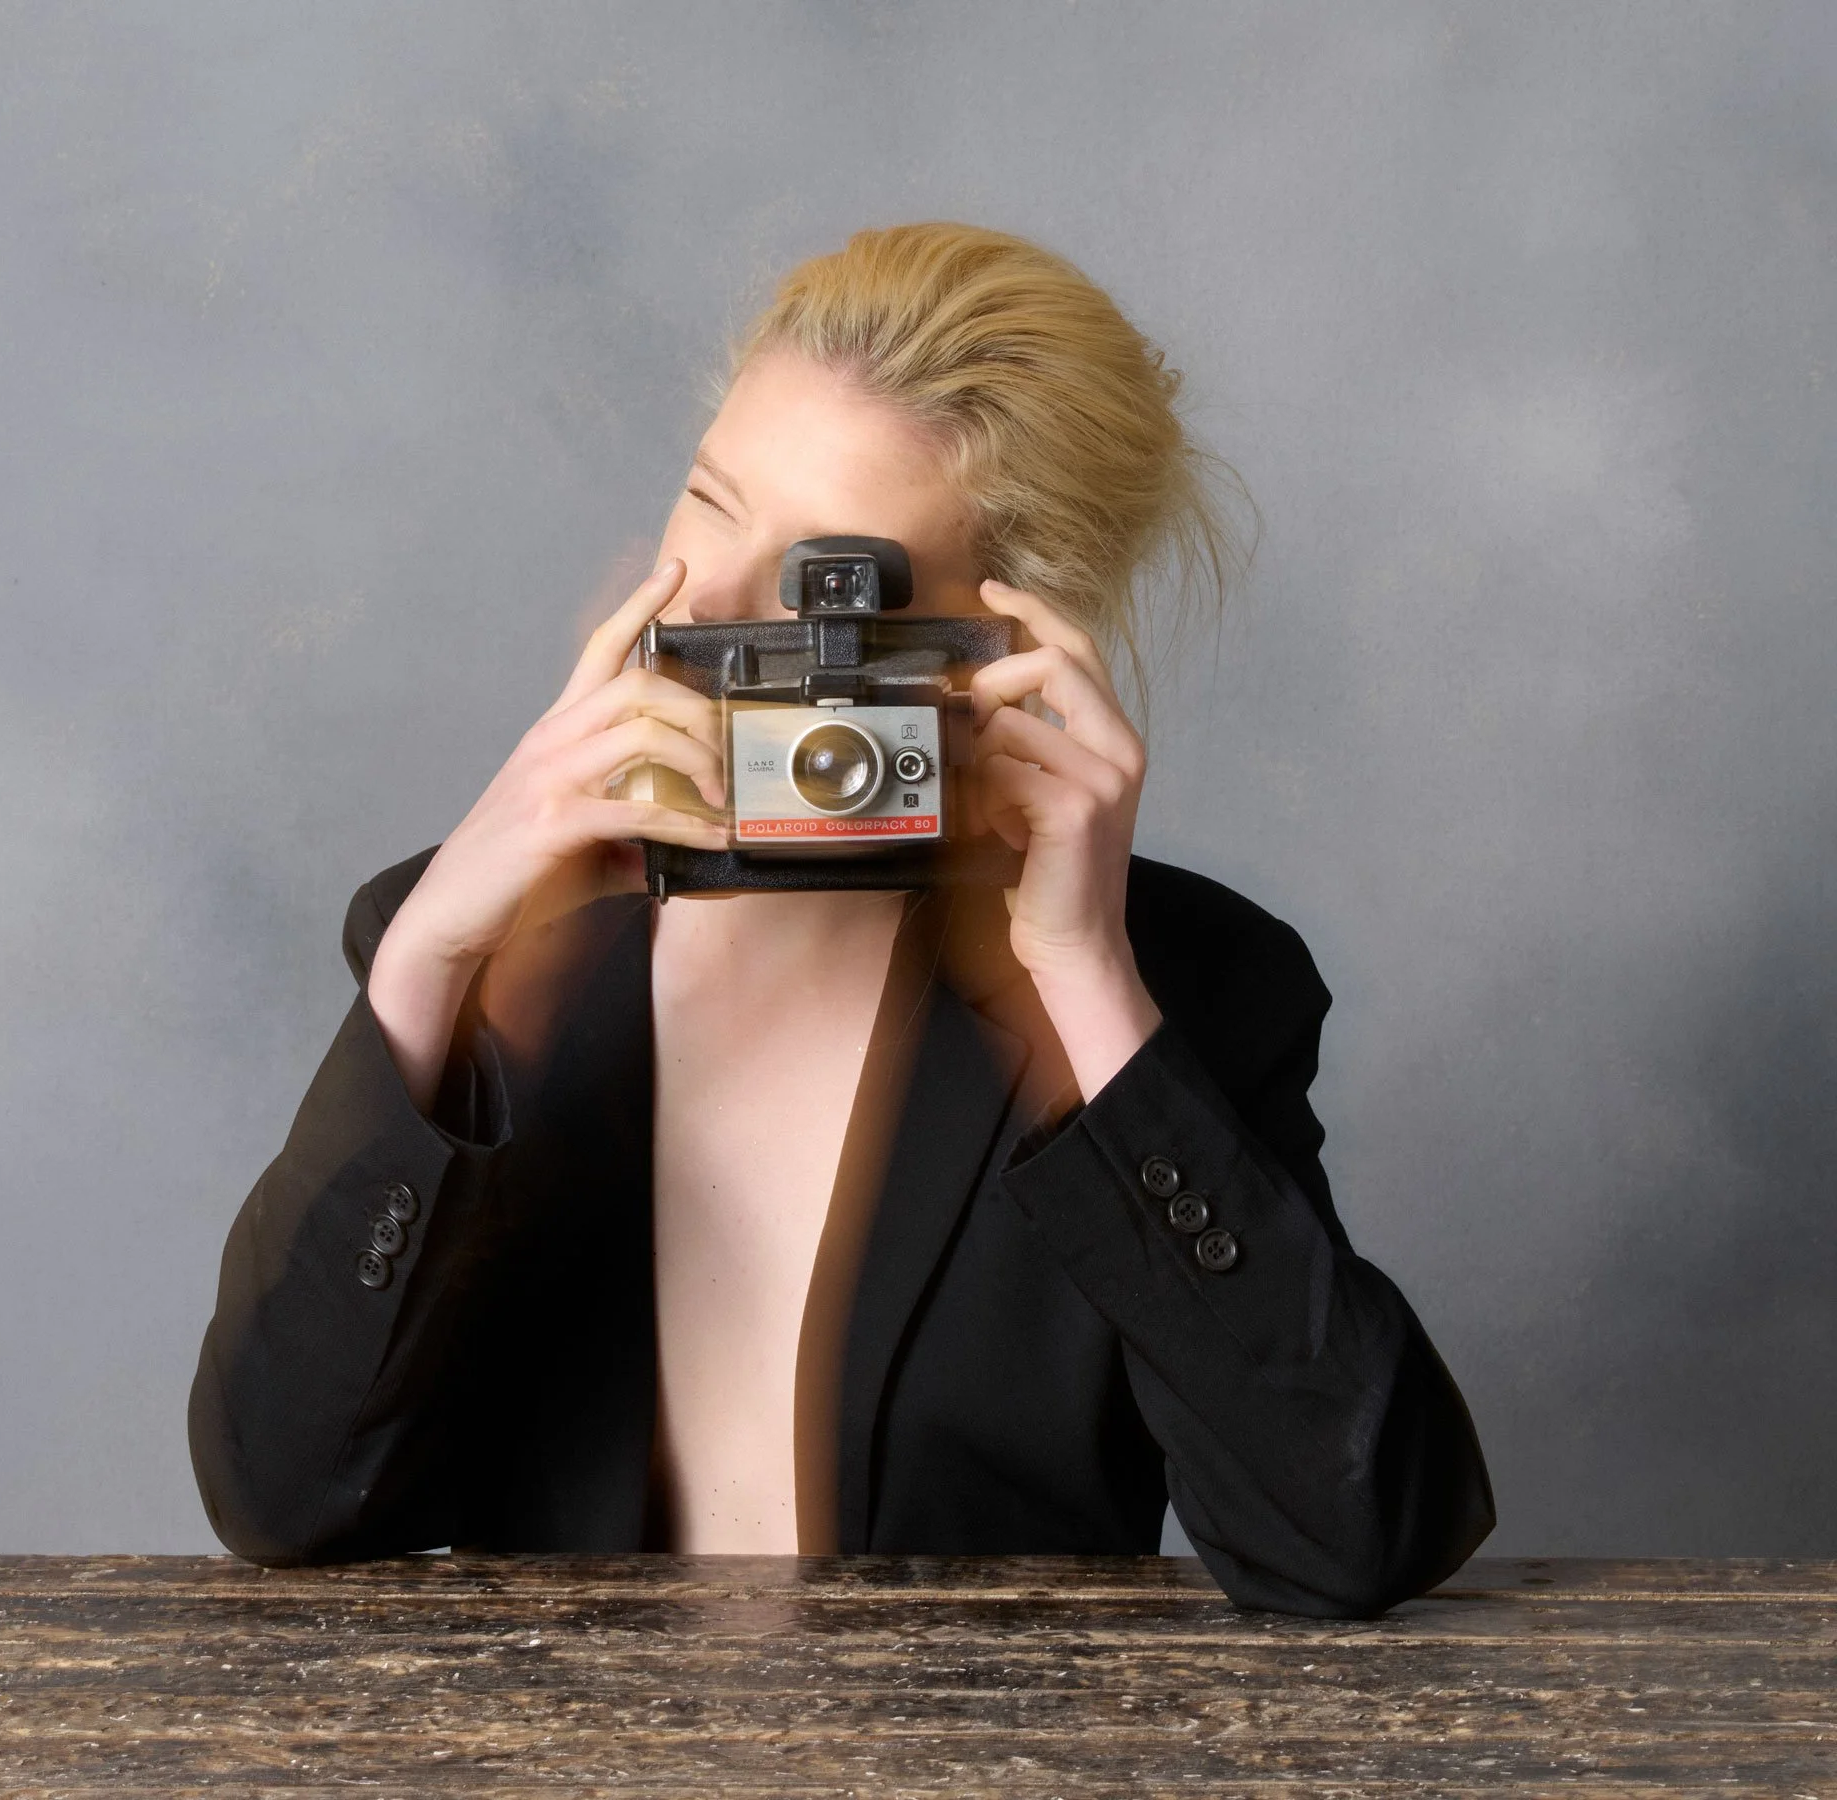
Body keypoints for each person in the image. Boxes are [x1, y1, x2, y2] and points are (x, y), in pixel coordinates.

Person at [188, 222, 1494, 1617]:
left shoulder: (1186, 985)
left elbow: (1352, 1538)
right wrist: (435, 959)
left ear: (998, 646)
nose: (726, 606)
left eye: (831, 579)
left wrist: (1083, 985)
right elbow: (284, 1498)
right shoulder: (492, 956)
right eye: (711, 499)